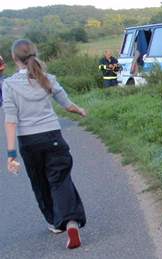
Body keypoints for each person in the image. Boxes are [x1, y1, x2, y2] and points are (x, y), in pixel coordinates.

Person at [2, 39, 87, 249]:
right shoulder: (47, 78)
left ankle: (55, 223)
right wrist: (80, 110)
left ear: (14, 58)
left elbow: (10, 120)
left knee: (40, 182)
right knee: (60, 179)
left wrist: (11, 154)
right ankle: (70, 221)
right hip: (53, 137)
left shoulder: (9, 84)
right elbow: (67, 105)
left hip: (29, 142)